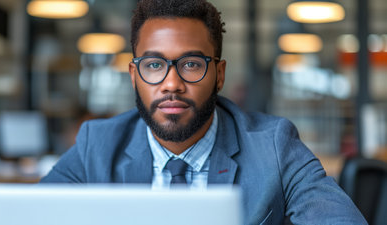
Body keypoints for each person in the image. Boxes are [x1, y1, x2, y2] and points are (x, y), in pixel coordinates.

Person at [41, 0, 367, 224]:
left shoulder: (274, 146)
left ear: (219, 74)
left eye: (191, 64)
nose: (172, 84)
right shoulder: (97, 144)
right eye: (154, 65)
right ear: (133, 75)